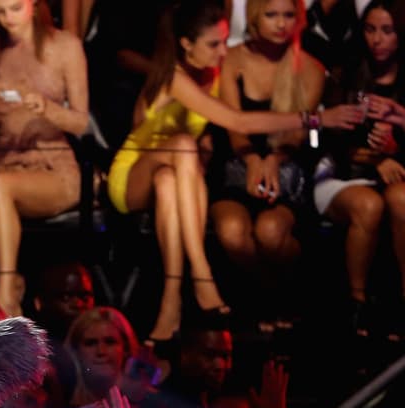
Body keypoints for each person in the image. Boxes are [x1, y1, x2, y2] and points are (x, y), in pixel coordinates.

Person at [105, 0, 363, 344]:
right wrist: (314, 118)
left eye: (225, 41)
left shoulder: (213, 74)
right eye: (214, 44)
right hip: (134, 172)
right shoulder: (174, 77)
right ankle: (202, 276)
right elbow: (237, 122)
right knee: (182, 147)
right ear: (186, 44)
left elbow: (219, 129)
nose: (222, 50)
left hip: (175, 177)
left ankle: (171, 304)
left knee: (173, 176)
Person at [315, 0, 405, 342]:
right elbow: (326, 142)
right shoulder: (344, 73)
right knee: (369, 204)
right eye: (370, 29)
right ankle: (356, 307)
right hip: (344, 170)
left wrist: (404, 125)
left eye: (387, 31)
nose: (377, 39)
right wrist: (376, 158)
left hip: (403, 169)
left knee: (402, 199)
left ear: (402, 34)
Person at [0, 0, 90, 317]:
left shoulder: (65, 46)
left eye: (15, 8)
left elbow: (80, 122)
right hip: (5, 159)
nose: (8, 18)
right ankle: (17, 284)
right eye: (0, 11)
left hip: (52, 161)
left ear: (34, 5)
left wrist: (47, 108)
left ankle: (6, 295)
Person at [209, 0, 326, 306]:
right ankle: (265, 298)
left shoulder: (311, 68)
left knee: (271, 233)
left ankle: (289, 295)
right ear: (254, 17)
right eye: (272, 15)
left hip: (288, 165)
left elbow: (300, 131)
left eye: (289, 15)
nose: (281, 23)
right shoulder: (231, 59)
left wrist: (273, 160)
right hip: (237, 160)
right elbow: (233, 123)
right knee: (233, 232)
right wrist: (252, 161)